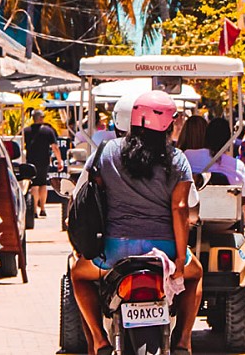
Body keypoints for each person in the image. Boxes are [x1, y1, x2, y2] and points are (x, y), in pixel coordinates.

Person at [70, 91, 203, 355]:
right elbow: (180, 209)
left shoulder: (106, 152)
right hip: (164, 250)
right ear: (169, 123)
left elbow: (91, 197)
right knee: (196, 273)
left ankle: (99, 340)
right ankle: (183, 341)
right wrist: (178, 260)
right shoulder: (177, 160)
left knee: (78, 276)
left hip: (113, 252)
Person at [183, 118, 245, 192]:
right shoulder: (238, 166)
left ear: (206, 136)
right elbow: (243, 196)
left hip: (195, 202)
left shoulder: (188, 156)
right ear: (228, 140)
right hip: (227, 202)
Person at [24, 109, 64, 217]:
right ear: (41, 118)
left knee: (34, 185)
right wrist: (59, 161)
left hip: (31, 161)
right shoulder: (48, 131)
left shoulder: (26, 131)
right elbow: (55, 147)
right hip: (44, 161)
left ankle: (34, 211)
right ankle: (42, 208)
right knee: (42, 184)